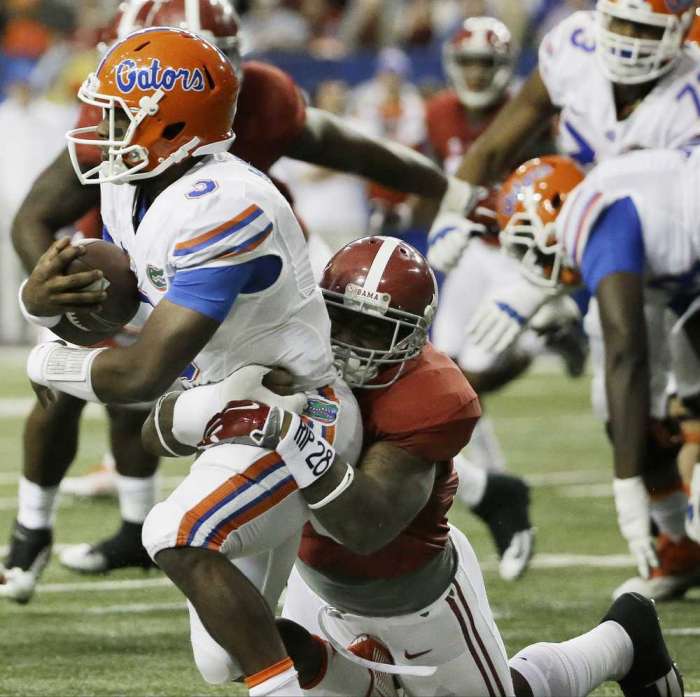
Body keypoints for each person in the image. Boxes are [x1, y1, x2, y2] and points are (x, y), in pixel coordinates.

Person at [1, 0, 453, 601]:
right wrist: (47, 302)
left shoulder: (229, 177)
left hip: (250, 308)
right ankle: (53, 530)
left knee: (165, 459)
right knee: (147, 412)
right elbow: (37, 218)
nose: (100, 126)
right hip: (176, 296)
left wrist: (447, 186)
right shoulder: (122, 149)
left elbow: (351, 150)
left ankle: (154, 526)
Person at [149, 236, 684, 697]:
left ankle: (623, 639)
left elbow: (365, 527)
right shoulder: (277, 344)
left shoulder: (432, 395)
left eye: (375, 331)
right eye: (345, 320)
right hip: (312, 576)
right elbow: (155, 434)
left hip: (412, 589)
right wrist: (210, 403)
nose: (352, 346)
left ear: (411, 336)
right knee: (228, 652)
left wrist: (292, 436)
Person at [17, 27, 369, 697]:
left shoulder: (227, 204)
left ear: (172, 121)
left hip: (297, 414)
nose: (100, 126)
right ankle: (381, 684)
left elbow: (141, 373)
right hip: (226, 410)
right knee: (224, 654)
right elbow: (128, 310)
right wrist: (40, 303)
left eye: (118, 113)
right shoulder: (132, 186)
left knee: (176, 532)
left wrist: (49, 362)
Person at [427, 0, 700, 596]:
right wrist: (453, 211)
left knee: (684, 399)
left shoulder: (690, 96)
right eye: (619, 23)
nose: (626, 42)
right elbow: (500, 141)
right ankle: (678, 546)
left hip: (678, 249)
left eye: (643, 29)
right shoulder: (573, 48)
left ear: (681, 31)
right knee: (623, 412)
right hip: (608, 247)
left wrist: (538, 285)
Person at [472, 152, 700, 600]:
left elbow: (626, 354)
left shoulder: (597, 213)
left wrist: (625, 481)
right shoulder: (623, 200)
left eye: (530, 244)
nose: (534, 265)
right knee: (644, 411)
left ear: (556, 214)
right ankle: (682, 547)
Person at [426, 16, 537, 581]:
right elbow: (421, 175)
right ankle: (489, 480)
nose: (474, 73)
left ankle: (546, 336)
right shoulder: (438, 112)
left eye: (483, 63)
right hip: (464, 255)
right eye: (466, 62)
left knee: (472, 374)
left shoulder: (528, 113)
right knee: (447, 378)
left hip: (518, 257)